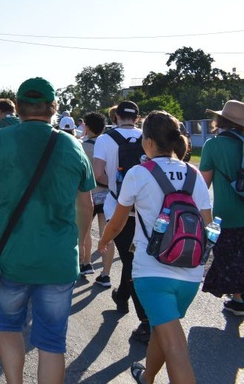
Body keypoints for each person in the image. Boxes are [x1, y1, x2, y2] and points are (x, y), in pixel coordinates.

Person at [0, 77, 94, 384]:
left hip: (11, 258)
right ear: (54, 108)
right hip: (59, 259)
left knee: (8, 326)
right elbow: (85, 205)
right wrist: (79, 239)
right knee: (51, 343)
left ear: (17, 108)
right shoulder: (71, 145)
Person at [97, 111, 211, 384]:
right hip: (190, 273)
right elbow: (207, 225)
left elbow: (117, 222)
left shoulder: (139, 173)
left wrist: (103, 241)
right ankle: (146, 377)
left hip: (152, 272)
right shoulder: (193, 174)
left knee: (176, 347)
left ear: (147, 142)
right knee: (163, 329)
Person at [92, 100, 150, 343]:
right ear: (137, 117)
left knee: (130, 259)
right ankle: (122, 295)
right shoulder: (148, 137)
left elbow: (97, 173)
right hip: (146, 209)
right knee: (134, 258)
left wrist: (116, 187)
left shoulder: (105, 139)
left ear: (115, 117)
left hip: (118, 208)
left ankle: (145, 319)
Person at [200, 99, 244, 316]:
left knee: (230, 257)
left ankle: (238, 300)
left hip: (226, 214)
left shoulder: (213, 145)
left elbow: (203, 184)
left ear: (221, 119)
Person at [79, 112, 113, 287]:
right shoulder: (110, 145)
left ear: (87, 126)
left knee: (83, 230)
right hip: (108, 194)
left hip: (89, 194)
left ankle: (85, 263)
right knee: (106, 234)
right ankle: (106, 274)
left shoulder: (82, 146)